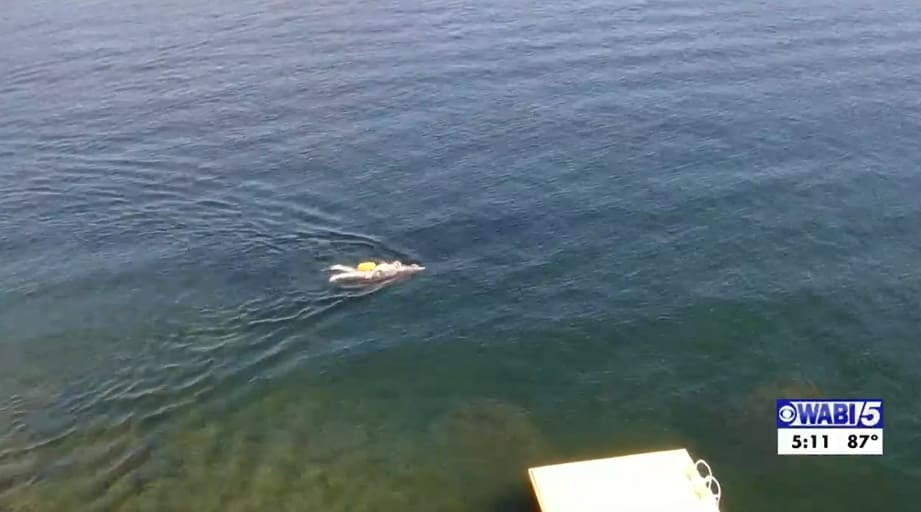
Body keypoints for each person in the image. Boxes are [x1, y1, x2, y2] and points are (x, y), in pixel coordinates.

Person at [328, 260, 424, 284]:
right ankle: (338, 276)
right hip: (381, 271)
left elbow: (396, 263)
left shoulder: (400, 267)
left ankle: (340, 268)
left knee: (356, 272)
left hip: (382, 268)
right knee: (359, 275)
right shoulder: (403, 273)